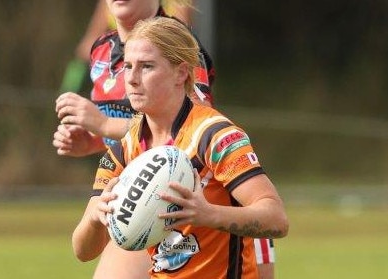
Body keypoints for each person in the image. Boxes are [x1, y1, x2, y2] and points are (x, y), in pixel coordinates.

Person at [72, 17, 289, 279]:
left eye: (147, 66)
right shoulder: (124, 150)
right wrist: (95, 218)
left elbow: (276, 219)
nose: (132, 79)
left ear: (181, 73)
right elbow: (83, 251)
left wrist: (209, 214)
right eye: (128, 66)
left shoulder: (214, 136)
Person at [59, 0, 195, 93]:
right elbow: (89, 42)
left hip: (155, 55)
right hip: (120, 53)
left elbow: (180, 37)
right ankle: (64, 98)